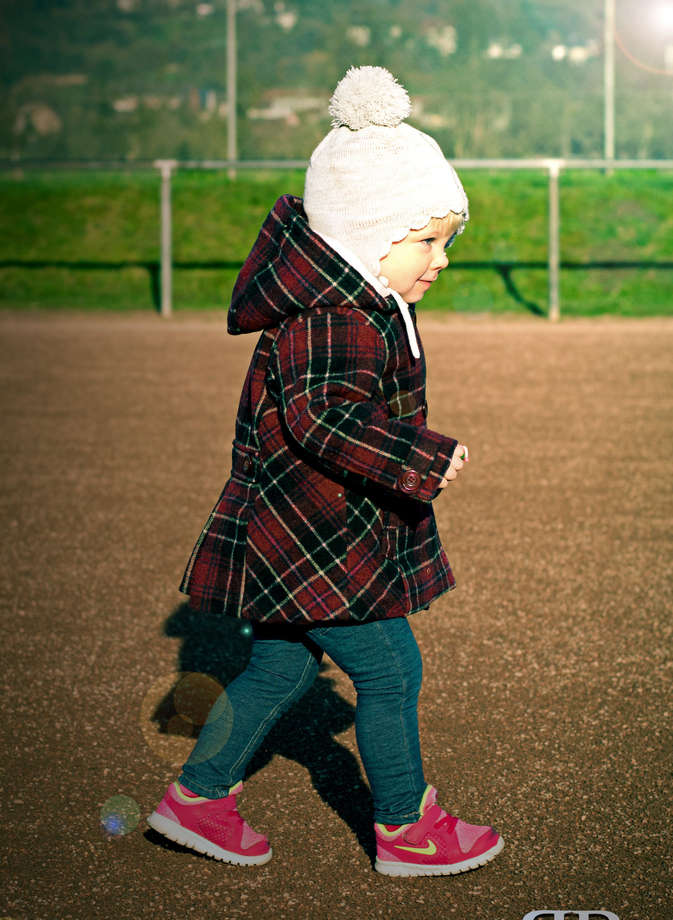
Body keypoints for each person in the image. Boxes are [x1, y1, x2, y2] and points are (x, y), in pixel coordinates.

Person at [147, 66, 504, 877]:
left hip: (300, 527)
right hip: (311, 532)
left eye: (446, 240)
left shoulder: (351, 303)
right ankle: (406, 828)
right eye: (426, 240)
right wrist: (421, 456)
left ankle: (197, 800)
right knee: (390, 668)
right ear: (363, 235)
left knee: (278, 664)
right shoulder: (337, 316)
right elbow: (322, 418)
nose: (440, 259)